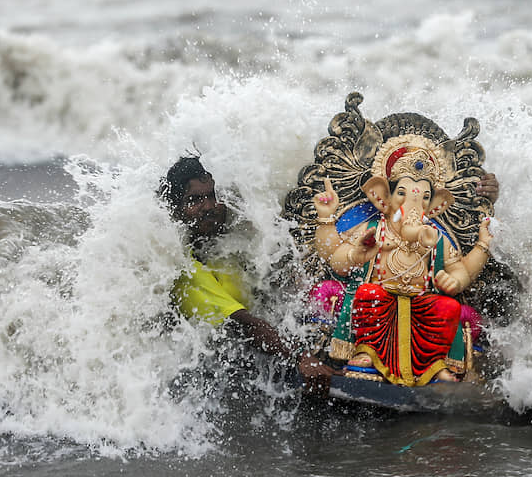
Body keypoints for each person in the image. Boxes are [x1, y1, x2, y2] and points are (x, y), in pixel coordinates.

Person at [312, 134, 495, 386]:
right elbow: (337, 261)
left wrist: (457, 276)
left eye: (424, 198)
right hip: (380, 302)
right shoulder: (373, 230)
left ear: (434, 207)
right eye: (403, 193)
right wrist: (355, 251)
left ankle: (435, 364)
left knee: (449, 307)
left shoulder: (436, 239)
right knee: (367, 293)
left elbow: (460, 269)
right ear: (382, 198)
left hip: (421, 305)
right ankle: (366, 350)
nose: (414, 204)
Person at [160, 155, 338, 393]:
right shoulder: (182, 268)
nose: (210, 206)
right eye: (194, 200)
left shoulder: (234, 239)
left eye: (212, 195)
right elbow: (244, 325)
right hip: (217, 376)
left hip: (266, 345)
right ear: (177, 210)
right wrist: (302, 358)